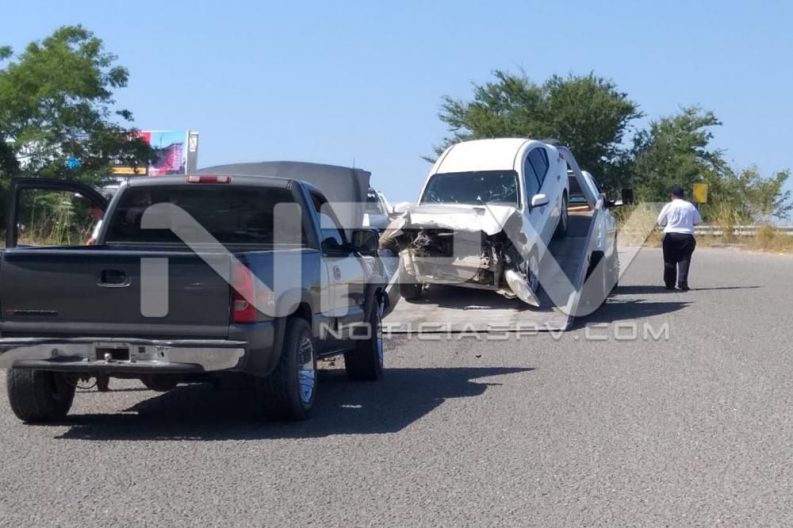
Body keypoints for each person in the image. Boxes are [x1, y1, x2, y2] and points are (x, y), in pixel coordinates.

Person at [657, 186, 702, 291]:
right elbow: (698, 220)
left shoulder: (669, 206)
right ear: (683, 195)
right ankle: (682, 283)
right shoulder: (690, 206)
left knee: (669, 260)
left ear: (672, 195)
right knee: (684, 260)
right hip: (686, 236)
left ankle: (670, 283)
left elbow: (660, 221)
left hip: (671, 235)